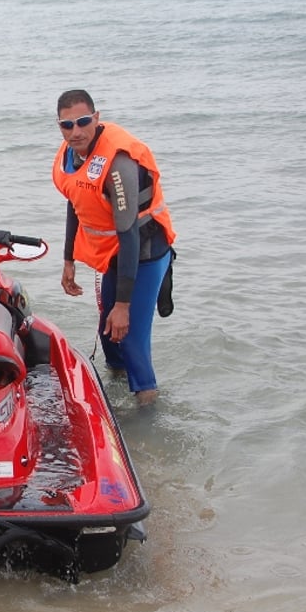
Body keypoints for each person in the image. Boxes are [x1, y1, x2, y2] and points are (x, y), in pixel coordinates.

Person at [51, 89, 177, 406]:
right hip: (114, 258)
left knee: (130, 338)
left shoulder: (117, 164)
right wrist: (68, 259)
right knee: (110, 339)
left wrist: (123, 307)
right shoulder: (71, 154)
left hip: (145, 254)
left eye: (82, 122)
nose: (76, 132)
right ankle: (116, 401)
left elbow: (130, 234)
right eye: (67, 125)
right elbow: (75, 201)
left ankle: (149, 417)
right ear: (59, 125)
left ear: (95, 118)